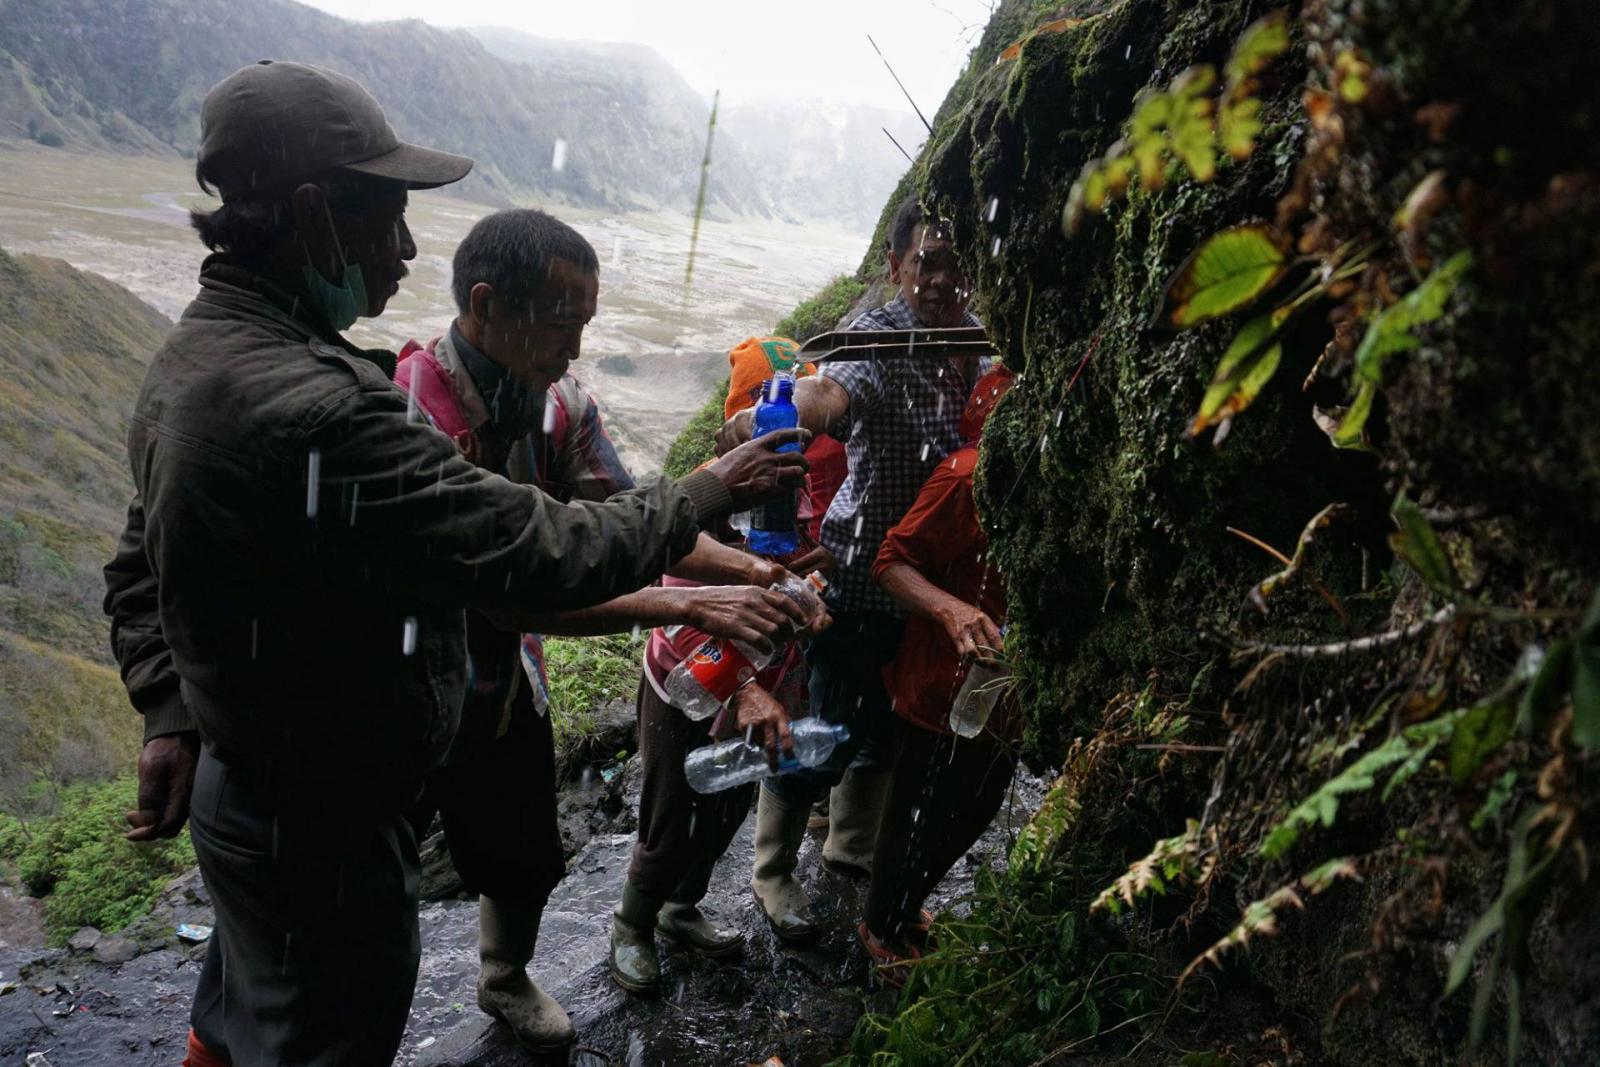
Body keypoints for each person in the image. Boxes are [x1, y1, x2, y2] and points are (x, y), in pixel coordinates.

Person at [103, 61, 808, 1067]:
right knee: (323, 1035)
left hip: (265, 783)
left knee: (241, 1011)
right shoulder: (324, 409)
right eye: (386, 217)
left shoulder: (204, 355)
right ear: (312, 213)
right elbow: (534, 550)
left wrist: (168, 706)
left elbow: (141, 560)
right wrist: (705, 492)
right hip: (323, 820)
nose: (403, 250)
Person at [395, 209, 818, 1047]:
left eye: (585, 326)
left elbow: (636, 525)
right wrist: (689, 601)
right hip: (404, 680)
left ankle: (503, 976)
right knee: (378, 863)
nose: (575, 349)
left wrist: (756, 571)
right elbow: (509, 594)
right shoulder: (417, 416)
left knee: (521, 845)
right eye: (561, 324)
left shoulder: (562, 408)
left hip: (504, 680)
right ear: (486, 305)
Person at [715, 194, 986, 941]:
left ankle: (851, 849)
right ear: (896, 265)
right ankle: (771, 871)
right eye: (926, 261)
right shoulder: (878, 337)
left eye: (955, 264)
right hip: (865, 573)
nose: (940, 278)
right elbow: (833, 389)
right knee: (825, 729)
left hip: (931, 585)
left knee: (890, 726)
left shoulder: (974, 340)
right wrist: (785, 411)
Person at [607, 340, 835, 995]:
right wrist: (740, 688)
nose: (795, 445)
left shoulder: (798, 481)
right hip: (689, 685)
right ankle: (633, 923)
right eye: (779, 430)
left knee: (729, 802)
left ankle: (681, 909)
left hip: (767, 676)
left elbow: (789, 561)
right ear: (746, 426)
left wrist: (816, 574)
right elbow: (681, 601)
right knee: (672, 811)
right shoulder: (706, 499)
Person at [859, 363, 1019, 985]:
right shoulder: (966, 477)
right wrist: (951, 607)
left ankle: (903, 909)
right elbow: (890, 561)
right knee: (918, 810)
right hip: (940, 682)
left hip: (1003, 685)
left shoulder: (1051, 482)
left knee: (974, 807)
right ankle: (880, 926)